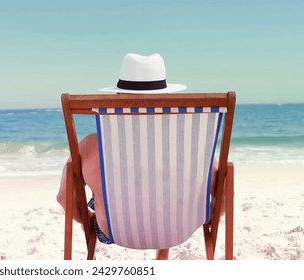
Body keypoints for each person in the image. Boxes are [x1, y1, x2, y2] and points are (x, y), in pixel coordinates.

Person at [56, 53, 217, 260]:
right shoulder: (189, 146)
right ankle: (162, 253)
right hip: (176, 231)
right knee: (163, 190)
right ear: (166, 98)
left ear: (117, 97)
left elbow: (64, 198)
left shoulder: (90, 145)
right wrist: (204, 219)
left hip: (114, 231)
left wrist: (91, 220)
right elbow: (222, 194)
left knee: (107, 195)